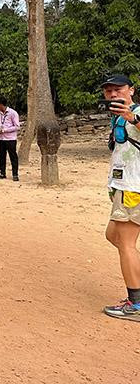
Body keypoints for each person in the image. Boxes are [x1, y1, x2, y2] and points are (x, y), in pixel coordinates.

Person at [101, 74, 140, 321]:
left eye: (118, 89)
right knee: (113, 235)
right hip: (123, 186)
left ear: (132, 90)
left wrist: (133, 118)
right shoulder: (117, 117)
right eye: (109, 91)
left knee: (126, 244)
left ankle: (135, 305)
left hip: (133, 188)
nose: (113, 94)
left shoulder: (136, 113)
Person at [0, 99, 20, 181]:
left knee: (13, 156)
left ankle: (15, 174)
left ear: (1, 104)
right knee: (1, 156)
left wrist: (5, 130)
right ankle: (2, 173)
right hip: (1, 138)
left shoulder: (13, 113)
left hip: (10, 139)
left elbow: (17, 126)